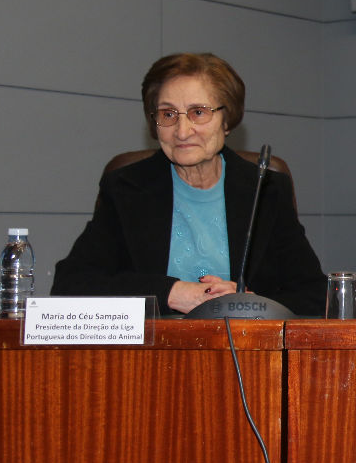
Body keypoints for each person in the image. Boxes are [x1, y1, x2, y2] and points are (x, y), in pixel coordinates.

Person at [53, 53, 325, 316]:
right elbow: (70, 286)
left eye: (198, 112)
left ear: (227, 120)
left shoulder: (265, 189)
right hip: (153, 355)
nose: (182, 131)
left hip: (247, 354)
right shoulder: (127, 188)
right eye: (168, 114)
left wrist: (249, 304)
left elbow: (317, 295)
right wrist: (170, 292)